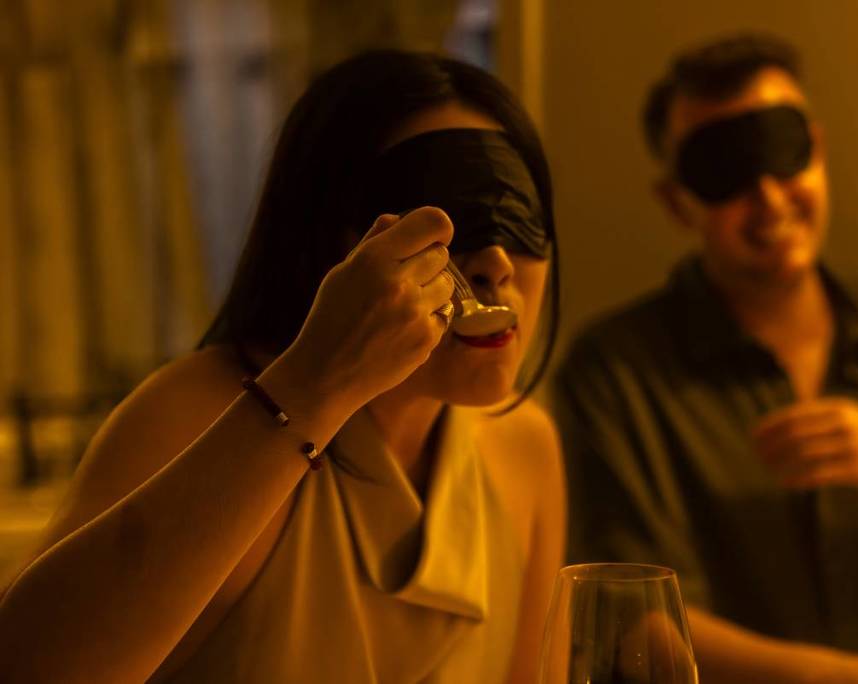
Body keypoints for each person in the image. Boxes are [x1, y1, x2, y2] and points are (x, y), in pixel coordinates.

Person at [0, 50, 565, 683]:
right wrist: (316, 385)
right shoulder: (196, 413)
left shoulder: (523, 445)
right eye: (446, 218)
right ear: (332, 239)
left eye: (521, 218)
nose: (496, 261)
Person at [551, 34, 858, 683]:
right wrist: (856, 681)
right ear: (676, 201)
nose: (769, 198)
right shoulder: (615, 375)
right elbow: (635, 624)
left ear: (819, 152)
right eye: (723, 172)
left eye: (783, 151)